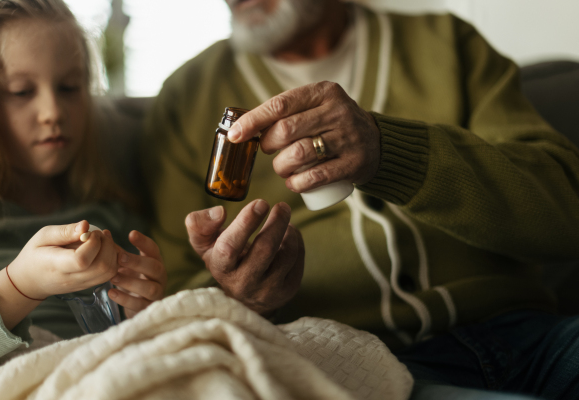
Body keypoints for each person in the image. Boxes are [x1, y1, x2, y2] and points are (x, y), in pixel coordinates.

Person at [144, 0, 579, 398]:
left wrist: (389, 150)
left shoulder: (447, 43)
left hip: (532, 334)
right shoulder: (187, 96)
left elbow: (567, 212)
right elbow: (174, 298)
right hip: (352, 362)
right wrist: (245, 301)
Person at [0, 0, 166, 370]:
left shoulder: (111, 215)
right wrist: (19, 286)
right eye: (20, 92)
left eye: (68, 87)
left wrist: (141, 310)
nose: (53, 112)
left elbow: (133, 343)